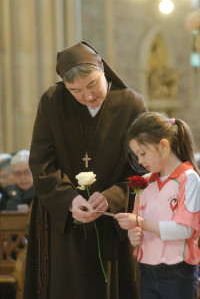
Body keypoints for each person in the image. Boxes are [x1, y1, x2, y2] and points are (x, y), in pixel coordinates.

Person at [23, 41, 147, 299]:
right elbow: (41, 163)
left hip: (114, 221)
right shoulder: (52, 101)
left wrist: (112, 196)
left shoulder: (131, 104)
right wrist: (71, 199)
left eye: (92, 84)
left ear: (102, 70)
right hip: (64, 218)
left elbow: (144, 168)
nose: (87, 96)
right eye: (75, 90)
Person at [115, 112, 200, 299]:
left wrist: (141, 223)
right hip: (147, 269)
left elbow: (185, 229)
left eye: (143, 153)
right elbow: (139, 224)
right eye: (136, 155)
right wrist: (134, 233)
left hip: (178, 272)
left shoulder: (188, 178)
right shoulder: (145, 182)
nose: (139, 161)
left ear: (163, 146)